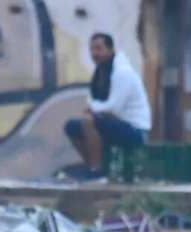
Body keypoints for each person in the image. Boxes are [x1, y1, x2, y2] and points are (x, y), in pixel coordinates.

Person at [63, 34, 151, 178]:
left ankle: (97, 171)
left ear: (110, 50)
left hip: (135, 130)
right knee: (71, 126)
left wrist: (94, 111)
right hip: (113, 125)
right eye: (92, 49)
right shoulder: (100, 73)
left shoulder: (122, 72)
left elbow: (113, 109)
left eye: (99, 49)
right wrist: (96, 111)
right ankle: (90, 165)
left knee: (88, 121)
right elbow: (93, 102)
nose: (95, 53)